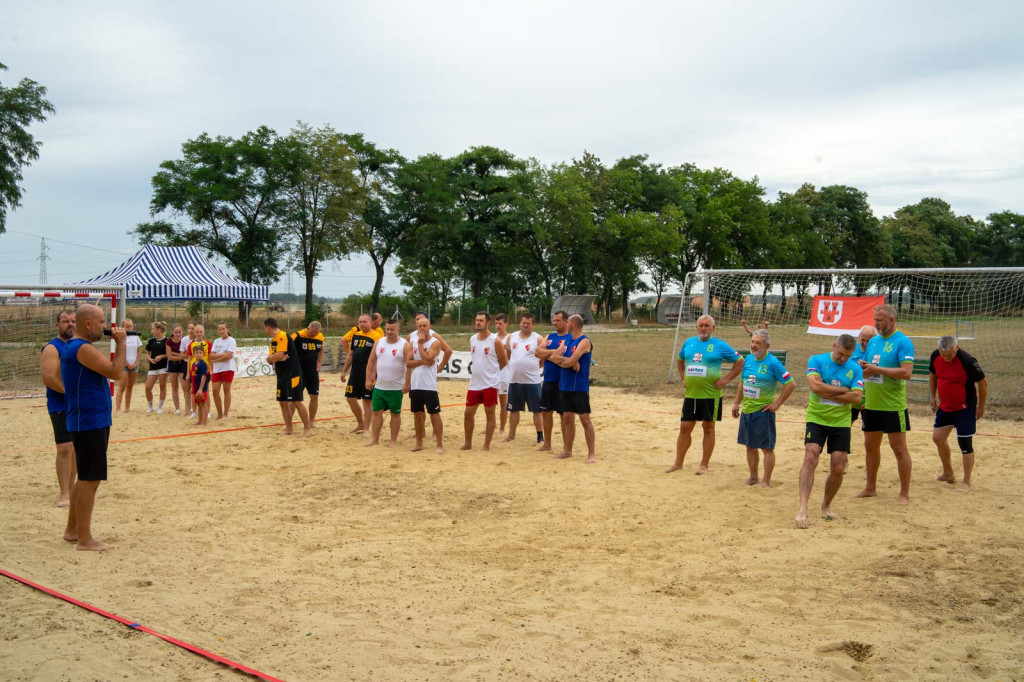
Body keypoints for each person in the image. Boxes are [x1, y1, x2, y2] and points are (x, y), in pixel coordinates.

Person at [60, 304, 126, 551]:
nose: (105, 327)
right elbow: (116, 372)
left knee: (85, 477)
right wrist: (121, 344)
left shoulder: (75, 347)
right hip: (89, 421)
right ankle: (85, 540)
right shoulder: (82, 348)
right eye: (101, 322)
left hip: (87, 419)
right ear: (87, 324)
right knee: (90, 479)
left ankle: (73, 530)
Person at [796, 334, 864, 529]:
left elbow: (857, 397)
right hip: (816, 418)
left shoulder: (855, 368)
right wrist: (844, 390)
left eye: (847, 356)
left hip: (841, 422)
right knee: (810, 456)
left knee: (838, 467)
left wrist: (828, 391)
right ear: (834, 345)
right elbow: (814, 387)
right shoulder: (816, 360)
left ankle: (826, 505)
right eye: (840, 354)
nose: (843, 359)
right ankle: (802, 508)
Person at [667, 315, 743, 475]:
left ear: (713, 328)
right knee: (685, 428)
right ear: (696, 327)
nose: (703, 328)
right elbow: (680, 360)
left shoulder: (720, 345)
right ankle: (678, 463)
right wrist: (682, 378)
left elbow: (740, 360)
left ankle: (704, 465)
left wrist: (727, 379)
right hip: (691, 394)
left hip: (711, 395)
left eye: (707, 326)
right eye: (700, 325)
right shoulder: (689, 343)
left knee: (708, 428)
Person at [856, 304, 915, 504]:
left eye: (879, 320)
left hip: (893, 406)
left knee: (899, 449)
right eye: (875, 320)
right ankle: (870, 487)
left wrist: (877, 369)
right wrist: (863, 368)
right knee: (870, 447)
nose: (876, 323)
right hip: (871, 405)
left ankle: (904, 493)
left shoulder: (903, 342)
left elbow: (906, 373)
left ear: (891, 320)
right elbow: (868, 368)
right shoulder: (873, 342)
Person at [730, 329, 795, 487]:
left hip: (763, 412)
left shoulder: (773, 363)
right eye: (753, 342)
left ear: (767, 346)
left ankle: (766, 481)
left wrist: (777, 403)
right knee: (750, 445)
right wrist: (736, 403)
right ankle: (753, 477)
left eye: (758, 343)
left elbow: (791, 384)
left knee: (766, 448)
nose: (754, 346)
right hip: (747, 410)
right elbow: (742, 382)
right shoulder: (748, 360)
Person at [929, 335, 987, 493]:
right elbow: (933, 374)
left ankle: (966, 481)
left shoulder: (967, 361)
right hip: (945, 407)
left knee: (965, 444)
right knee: (938, 438)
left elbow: (983, 383)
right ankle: (948, 473)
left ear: (957, 347)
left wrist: (981, 407)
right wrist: (933, 396)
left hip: (965, 408)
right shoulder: (935, 356)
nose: (946, 358)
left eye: (950, 355)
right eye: (943, 354)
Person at [40, 310, 77, 507]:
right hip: (60, 404)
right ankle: (64, 494)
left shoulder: (79, 345)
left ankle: (72, 490)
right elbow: (49, 378)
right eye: (65, 321)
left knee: (76, 449)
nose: (70, 324)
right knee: (64, 448)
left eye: (73, 321)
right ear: (57, 325)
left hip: (79, 404)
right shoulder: (52, 348)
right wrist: (70, 394)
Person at [550, 314, 596, 463]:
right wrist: (568, 362)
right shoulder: (567, 339)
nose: (565, 323)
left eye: (568, 321)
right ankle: (567, 450)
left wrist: (568, 362)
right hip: (565, 385)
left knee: (584, 419)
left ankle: (591, 454)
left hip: (579, 386)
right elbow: (552, 357)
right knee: (568, 418)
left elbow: (570, 360)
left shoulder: (584, 341)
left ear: (574, 324)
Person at [460, 312, 507, 451]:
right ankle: (468, 443)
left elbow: (503, 362)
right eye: (476, 320)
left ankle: (486, 445)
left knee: (489, 414)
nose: (478, 323)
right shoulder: (472, 339)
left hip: (490, 384)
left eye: (481, 320)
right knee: (468, 413)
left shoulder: (495, 340)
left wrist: (492, 374)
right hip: (474, 384)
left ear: (488, 323)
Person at [364, 318, 411, 447]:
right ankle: (375, 439)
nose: (390, 332)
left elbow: (409, 365)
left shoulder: (404, 344)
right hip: (379, 386)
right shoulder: (379, 343)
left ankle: (393, 441)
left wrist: (407, 383)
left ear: (398, 330)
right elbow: (371, 361)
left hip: (396, 388)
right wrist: (368, 379)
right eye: (388, 329)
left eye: (392, 330)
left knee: (395, 414)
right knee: (376, 413)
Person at [264, 318, 311, 437]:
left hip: (292, 374)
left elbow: (277, 355)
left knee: (296, 401)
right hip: (281, 375)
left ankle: (307, 428)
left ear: (268, 327)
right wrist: (274, 357)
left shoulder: (283, 336)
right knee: (283, 402)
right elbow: (270, 359)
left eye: (265, 328)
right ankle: (289, 428)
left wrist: (275, 357)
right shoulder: (273, 341)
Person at [502, 313, 544, 444]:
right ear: (520, 323)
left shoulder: (538, 339)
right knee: (513, 410)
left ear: (533, 325)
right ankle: (511, 435)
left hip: (532, 381)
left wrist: (533, 367)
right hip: (514, 380)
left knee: (536, 410)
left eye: (528, 323)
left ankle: (540, 435)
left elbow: (542, 359)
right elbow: (508, 354)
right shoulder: (512, 337)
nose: (525, 325)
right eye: (523, 322)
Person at [406, 315, 444, 453]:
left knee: (434, 414)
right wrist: (422, 362)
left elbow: (429, 357)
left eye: (425, 326)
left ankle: (439, 444)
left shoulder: (435, 342)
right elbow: (408, 363)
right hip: (415, 384)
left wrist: (421, 345)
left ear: (429, 327)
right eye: (420, 326)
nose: (422, 328)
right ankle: (419, 442)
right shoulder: (412, 342)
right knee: (417, 414)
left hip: (429, 385)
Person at [534, 310, 570, 451]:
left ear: (566, 322)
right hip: (548, 380)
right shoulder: (549, 336)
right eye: (554, 320)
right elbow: (537, 352)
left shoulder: (570, 338)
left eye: (558, 320)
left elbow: (567, 356)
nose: (555, 323)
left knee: (564, 415)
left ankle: (566, 445)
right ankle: (547, 444)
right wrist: (554, 352)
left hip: (564, 382)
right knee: (546, 413)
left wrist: (548, 353)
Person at [341, 314, 382, 435]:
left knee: (366, 400)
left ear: (370, 323)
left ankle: (367, 429)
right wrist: (344, 371)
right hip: (355, 373)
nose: (362, 324)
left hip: (367, 374)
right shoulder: (356, 336)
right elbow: (350, 354)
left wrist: (373, 374)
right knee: (350, 399)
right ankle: (360, 423)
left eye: (364, 321)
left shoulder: (376, 337)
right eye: (360, 322)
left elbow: (378, 358)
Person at [295, 321, 325, 427]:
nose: (314, 335)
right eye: (312, 333)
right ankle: (288, 423)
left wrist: (319, 362)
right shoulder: (297, 335)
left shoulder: (320, 337)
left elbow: (321, 349)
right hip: (299, 372)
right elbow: (287, 347)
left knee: (314, 396)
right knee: (295, 399)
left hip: (312, 372)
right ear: (308, 328)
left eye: (316, 334)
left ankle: (311, 421)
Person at [209, 322, 237, 420]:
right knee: (215, 390)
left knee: (226, 390)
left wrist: (216, 359)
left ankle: (225, 414)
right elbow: (211, 355)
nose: (221, 331)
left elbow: (229, 356)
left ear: (227, 329)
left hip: (228, 368)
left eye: (223, 329)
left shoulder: (231, 341)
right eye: (220, 329)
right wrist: (222, 355)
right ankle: (219, 413)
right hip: (217, 369)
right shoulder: (216, 341)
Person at [850, 325, 875, 425]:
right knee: (844, 427)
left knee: (871, 430)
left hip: (869, 399)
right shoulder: (850, 349)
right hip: (850, 396)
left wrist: (872, 399)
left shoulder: (878, 352)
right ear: (859, 336)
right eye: (863, 340)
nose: (865, 343)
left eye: (868, 341)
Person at [114, 318, 142, 412]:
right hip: (124, 365)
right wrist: (127, 363)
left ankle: (127, 408)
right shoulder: (121, 338)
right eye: (127, 326)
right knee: (122, 387)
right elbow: (120, 352)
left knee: (130, 387)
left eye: (131, 326)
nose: (129, 328)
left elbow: (139, 351)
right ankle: (118, 408)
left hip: (134, 365)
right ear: (123, 327)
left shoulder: (136, 337)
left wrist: (136, 362)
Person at [186, 324, 211, 419]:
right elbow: (189, 359)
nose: (199, 333)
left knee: (205, 391)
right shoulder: (191, 345)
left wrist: (211, 370)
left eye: (201, 331)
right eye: (197, 332)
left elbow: (210, 358)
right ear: (194, 333)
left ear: (203, 332)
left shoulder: (208, 343)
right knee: (194, 391)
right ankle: (194, 411)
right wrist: (188, 373)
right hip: (194, 371)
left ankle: (207, 411)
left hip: (205, 370)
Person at [144, 322, 169, 414]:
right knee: (148, 387)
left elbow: (169, 354)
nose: (152, 331)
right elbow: (147, 353)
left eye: (153, 329)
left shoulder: (167, 341)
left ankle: (159, 407)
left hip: (163, 366)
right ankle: (150, 406)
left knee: (162, 386)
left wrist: (162, 356)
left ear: (159, 330)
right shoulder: (151, 341)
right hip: (153, 366)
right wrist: (150, 359)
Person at [494, 313, 512, 434]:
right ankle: (492, 425)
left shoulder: (510, 337)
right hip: (493, 373)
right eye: (496, 323)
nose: (498, 326)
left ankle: (502, 428)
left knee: (503, 402)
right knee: (491, 402)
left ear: (506, 324)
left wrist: (506, 346)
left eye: (501, 323)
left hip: (505, 373)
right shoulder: (493, 337)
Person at [165, 325, 187, 415]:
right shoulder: (169, 341)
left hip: (183, 365)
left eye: (179, 332)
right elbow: (169, 356)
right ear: (172, 333)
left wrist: (176, 354)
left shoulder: (184, 340)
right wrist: (181, 356)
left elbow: (186, 354)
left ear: (182, 332)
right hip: (173, 365)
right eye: (176, 332)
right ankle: (177, 408)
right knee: (174, 387)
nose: (178, 334)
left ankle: (187, 407)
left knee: (185, 387)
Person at [190, 344, 210, 426]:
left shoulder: (203, 364)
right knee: (198, 404)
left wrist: (201, 389)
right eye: (197, 353)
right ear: (193, 354)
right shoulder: (194, 363)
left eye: (200, 352)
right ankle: (200, 420)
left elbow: (203, 377)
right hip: (195, 387)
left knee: (203, 403)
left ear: (203, 353)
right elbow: (193, 377)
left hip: (201, 387)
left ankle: (204, 422)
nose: (198, 354)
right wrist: (192, 388)